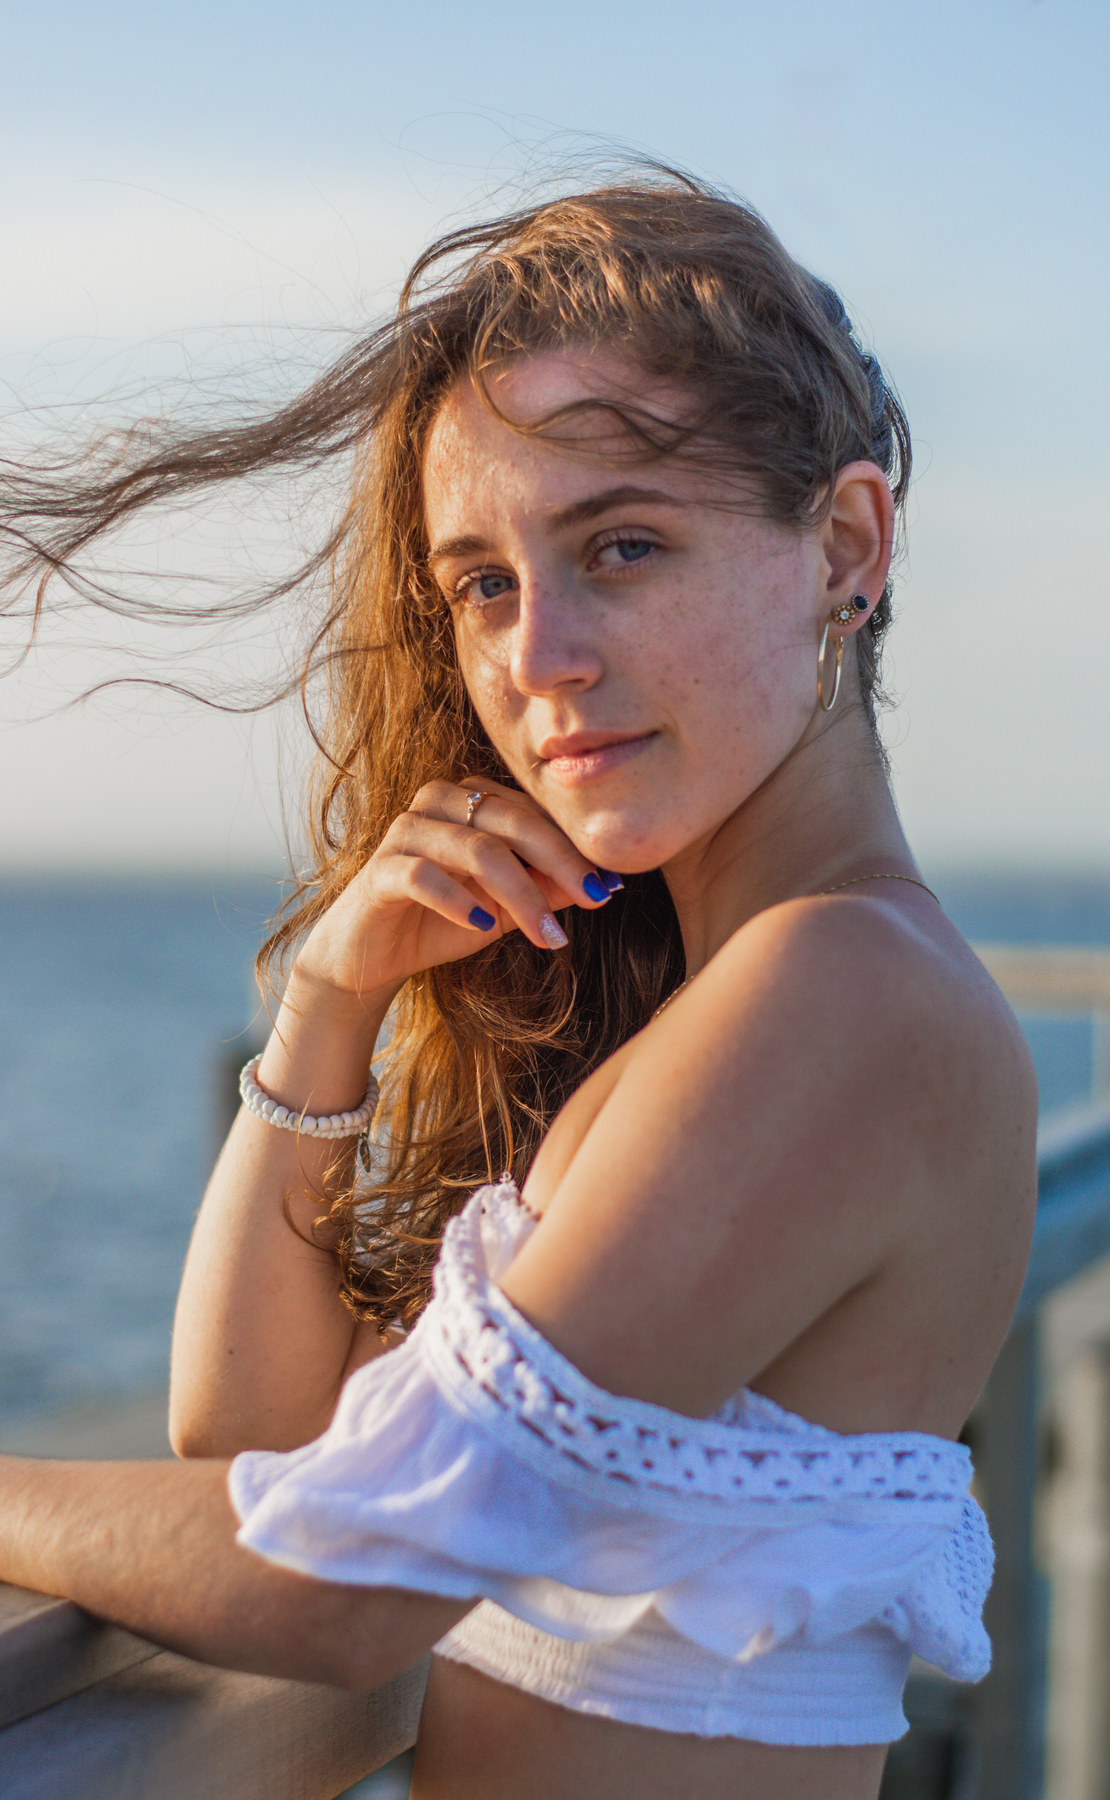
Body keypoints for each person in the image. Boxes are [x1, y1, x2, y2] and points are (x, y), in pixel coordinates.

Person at [0, 170, 1037, 1800]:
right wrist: (331, 997)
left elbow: (342, 1584)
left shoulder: (846, 991)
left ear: (845, 545)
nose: (537, 656)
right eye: (482, 582)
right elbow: (260, 1444)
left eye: (621, 546)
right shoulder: (750, 995)